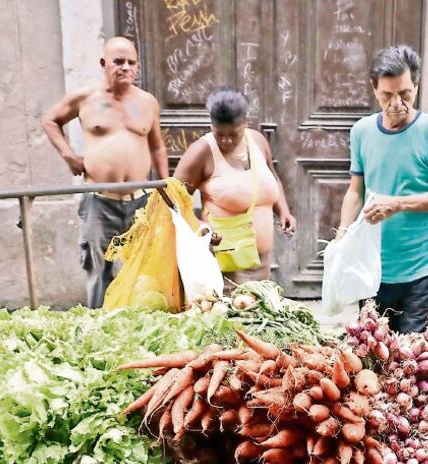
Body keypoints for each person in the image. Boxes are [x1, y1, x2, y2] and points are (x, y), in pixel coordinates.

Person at [336, 44, 428, 333]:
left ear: (416, 87)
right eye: (387, 95)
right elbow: (355, 190)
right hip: (372, 268)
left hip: (423, 269)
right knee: (375, 356)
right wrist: (343, 232)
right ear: (374, 90)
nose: (396, 103)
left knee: (411, 362)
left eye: (405, 94)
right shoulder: (362, 132)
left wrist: (398, 204)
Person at [42, 36, 169, 308]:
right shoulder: (86, 98)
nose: (125, 67)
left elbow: (157, 146)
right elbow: (50, 120)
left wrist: (164, 186)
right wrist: (68, 156)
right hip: (100, 200)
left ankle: (141, 327)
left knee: (146, 270)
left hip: (140, 201)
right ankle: (98, 329)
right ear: (104, 63)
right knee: (100, 271)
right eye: (118, 61)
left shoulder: (147, 102)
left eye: (131, 63)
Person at [173, 86, 295, 284]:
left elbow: (272, 177)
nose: (226, 140)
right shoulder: (201, 152)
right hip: (223, 263)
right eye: (219, 133)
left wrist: (283, 211)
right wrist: (198, 226)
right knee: (226, 312)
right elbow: (173, 199)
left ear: (245, 123)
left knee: (257, 309)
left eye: (234, 134)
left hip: (260, 261)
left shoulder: (257, 141)